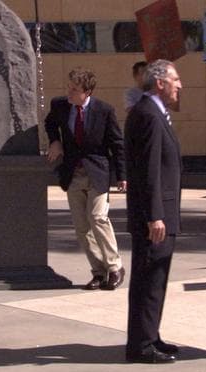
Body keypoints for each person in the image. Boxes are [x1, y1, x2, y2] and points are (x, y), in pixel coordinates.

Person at [45, 67, 126, 291]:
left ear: (87, 92)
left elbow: (117, 144)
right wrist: (55, 141)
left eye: (75, 89)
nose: (69, 92)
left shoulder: (104, 111)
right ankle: (99, 272)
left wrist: (122, 176)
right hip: (73, 174)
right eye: (69, 87)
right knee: (82, 227)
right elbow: (50, 123)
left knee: (98, 217)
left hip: (98, 173)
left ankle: (115, 266)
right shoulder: (60, 105)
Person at [124, 59, 183, 364]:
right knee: (148, 279)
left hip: (161, 214)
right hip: (155, 218)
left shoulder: (155, 112)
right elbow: (148, 171)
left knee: (155, 279)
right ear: (160, 82)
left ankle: (150, 335)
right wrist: (154, 215)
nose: (180, 85)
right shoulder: (148, 114)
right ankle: (141, 345)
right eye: (176, 79)